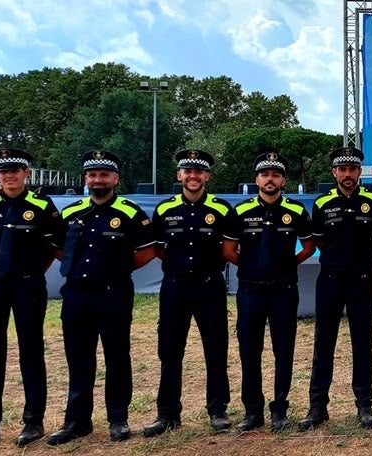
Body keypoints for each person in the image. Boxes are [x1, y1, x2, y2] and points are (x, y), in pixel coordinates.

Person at [47, 150, 158, 445]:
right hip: (77, 295)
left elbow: (147, 252)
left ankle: (118, 419)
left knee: (117, 357)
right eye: (93, 174)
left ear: (115, 179)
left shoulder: (131, 213)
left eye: (104, 175)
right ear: (86, 179)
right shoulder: (70, 213)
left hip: (114, 295)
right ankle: (76, 421)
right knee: (78, 359)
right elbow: (59, 249)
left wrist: (116, 270)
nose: (98, 179)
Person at [0, 149, 64, 450]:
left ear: (27, 173)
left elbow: (52, 248)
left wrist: (31, 272)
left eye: (16, 170)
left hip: (27, 286)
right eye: (4, 171)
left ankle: (33, 422)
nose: (10, 175)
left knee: (31, 353)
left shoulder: (42, 205)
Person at [223, 150, 315, 433]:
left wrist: (288, 264)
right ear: (257, 180)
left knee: (283, 350)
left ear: (283, 181)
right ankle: (252, 412)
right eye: (265, 174)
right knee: (249, 351)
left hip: (284, 291)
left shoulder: (297, 212)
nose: (270, 179)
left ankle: (279, 409)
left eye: (275, 175)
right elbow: (228, 250)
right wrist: (252, 267)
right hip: (250, 291)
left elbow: (310, 247)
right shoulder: (240, 212)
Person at [143, 149, 233, 437]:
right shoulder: (164, 209)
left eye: (199, 171)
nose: (193, 176)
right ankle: (167, 414)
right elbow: (158, 249)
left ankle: (217, 410)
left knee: (216, 349)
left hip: (210, 286)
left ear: (207, 176)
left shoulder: (221, 210)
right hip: (175, 286)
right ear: (179, 175)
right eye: (188, 171)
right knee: (170, 350)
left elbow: (229, 248)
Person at [299, 146, 372, 431]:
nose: (348, 174)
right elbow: (320, 241)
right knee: (323, 344)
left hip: (362, 281)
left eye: (353, 169)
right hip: (331, 281)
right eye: (343, 169)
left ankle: (364, 405)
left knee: (362, 345)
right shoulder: (322, 203)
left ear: (360, 172)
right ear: (334, 172)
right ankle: (317, 407)